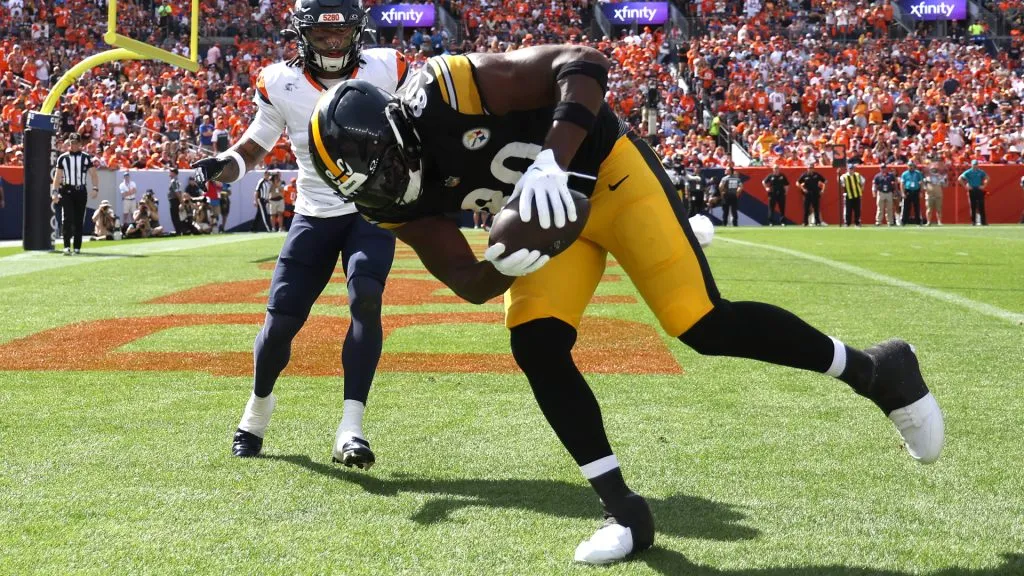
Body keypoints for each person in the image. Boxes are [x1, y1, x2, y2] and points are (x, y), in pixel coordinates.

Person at [309, 47, 944, 565]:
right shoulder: (382, 202)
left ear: (397, 128)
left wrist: (552, 161)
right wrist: (504, 263)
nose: (388, 185)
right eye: (369, 184)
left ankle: (875, 370)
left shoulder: (448, 89)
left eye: (385, 166)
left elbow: (583, 63)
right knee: (535, 342)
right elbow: (466, 280)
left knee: (699, 323)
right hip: (548, 223)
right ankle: (624, 511)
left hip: (606, 174)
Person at [192, 0, 408, 466]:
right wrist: (224, 165)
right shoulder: (280, 81)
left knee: (366, 298)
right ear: (302, 35)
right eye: (322, 35)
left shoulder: (390, 67)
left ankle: (351, 429)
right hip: (314, 212)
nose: (333, 43)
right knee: (281, 323)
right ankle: (257, 411)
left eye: (342, 32)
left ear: (357, 31)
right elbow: (254, 146)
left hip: (370, 209)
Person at [51, 133, 99, 255]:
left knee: (78, 219)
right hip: (67, 190)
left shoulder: (86, 157)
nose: (74, 145)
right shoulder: (63, 158)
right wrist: (55, 191)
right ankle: (67, 246)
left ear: (80, 144)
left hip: (81, 191)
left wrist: (95, 188)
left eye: (76, 143)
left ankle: (77, 247)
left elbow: (93, 174)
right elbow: (57, 176)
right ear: (69, 144)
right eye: (72, 143)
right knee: (67, 219)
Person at [959, 160, 989, 226]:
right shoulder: (969, 172)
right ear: (971, 165)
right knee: (973, 206)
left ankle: (983, 222)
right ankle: (973, 222)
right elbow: (960, 178)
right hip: (972, 189)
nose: (975, 166)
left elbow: (987, 178)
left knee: (981, 205)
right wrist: (966, 187)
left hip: (979, 189)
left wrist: (984, 186)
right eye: (974, 164)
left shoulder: (981, 172)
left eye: (976, 164)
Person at [899, 161, 925, 226]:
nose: (911, 167)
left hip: (916, 191)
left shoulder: (918, 173)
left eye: (912, 165)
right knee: (906, 207)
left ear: (914, 166)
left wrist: (921, 191)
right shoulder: (904, 174)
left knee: (917, 207)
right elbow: (902, 183)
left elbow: (921, 182)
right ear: (907, 166)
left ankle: (918, 221)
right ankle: (903, 221)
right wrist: (902, 193)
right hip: (908, 191)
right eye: (910, 165)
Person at [167, 167, 184, 235]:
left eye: (170, 172)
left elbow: (177, 193)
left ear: (174, 173)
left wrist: (181, 202)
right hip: (175, 200)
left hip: (174, 201)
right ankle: (179, 231)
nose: (169, 174)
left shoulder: (173, 181)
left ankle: (178, 231)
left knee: (175, 216)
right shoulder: (176, 181)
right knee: (176, 216)